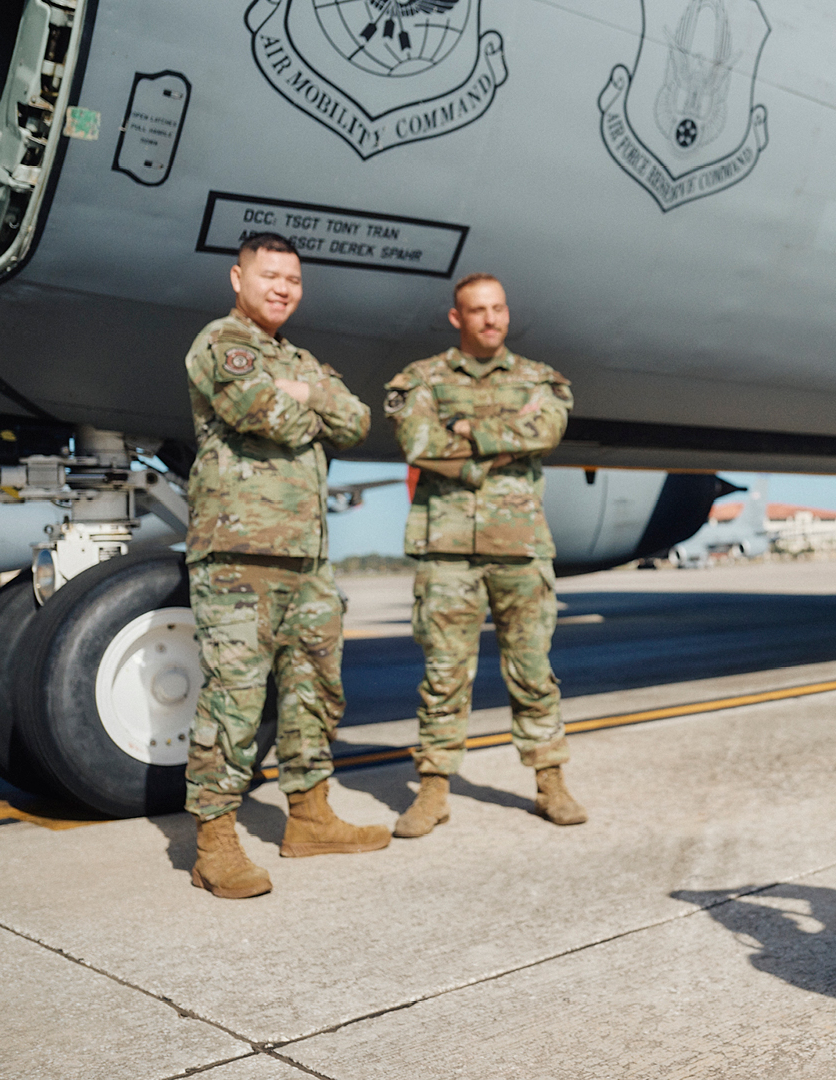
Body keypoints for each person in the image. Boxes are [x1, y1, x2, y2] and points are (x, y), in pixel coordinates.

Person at [182, 232, 390, 899]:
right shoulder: (221, 343)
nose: (282, 288)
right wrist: (305, 402)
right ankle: (214, 842)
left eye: (292, 280)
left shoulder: (299, 359)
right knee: (234, 703)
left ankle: (310, 817)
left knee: (314, 694)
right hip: (238, 556)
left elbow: (357, 422)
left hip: (307, 558)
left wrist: (305, 391)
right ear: (237, 278)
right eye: (269, 275)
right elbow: (262, 411)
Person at [383, 273, 584, 837]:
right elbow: (418, 443)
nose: (490, 319)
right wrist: (499, 446)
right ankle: (434, 790)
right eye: (478, 310)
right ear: (457, 318)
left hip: (518, 547)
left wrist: (469, 430)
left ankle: (551, 782)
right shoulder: (422, 378)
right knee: (443, 674)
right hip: (447, 551)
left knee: (533, 671)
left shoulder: (539, 379)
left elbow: (546, 430)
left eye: (498, 308)